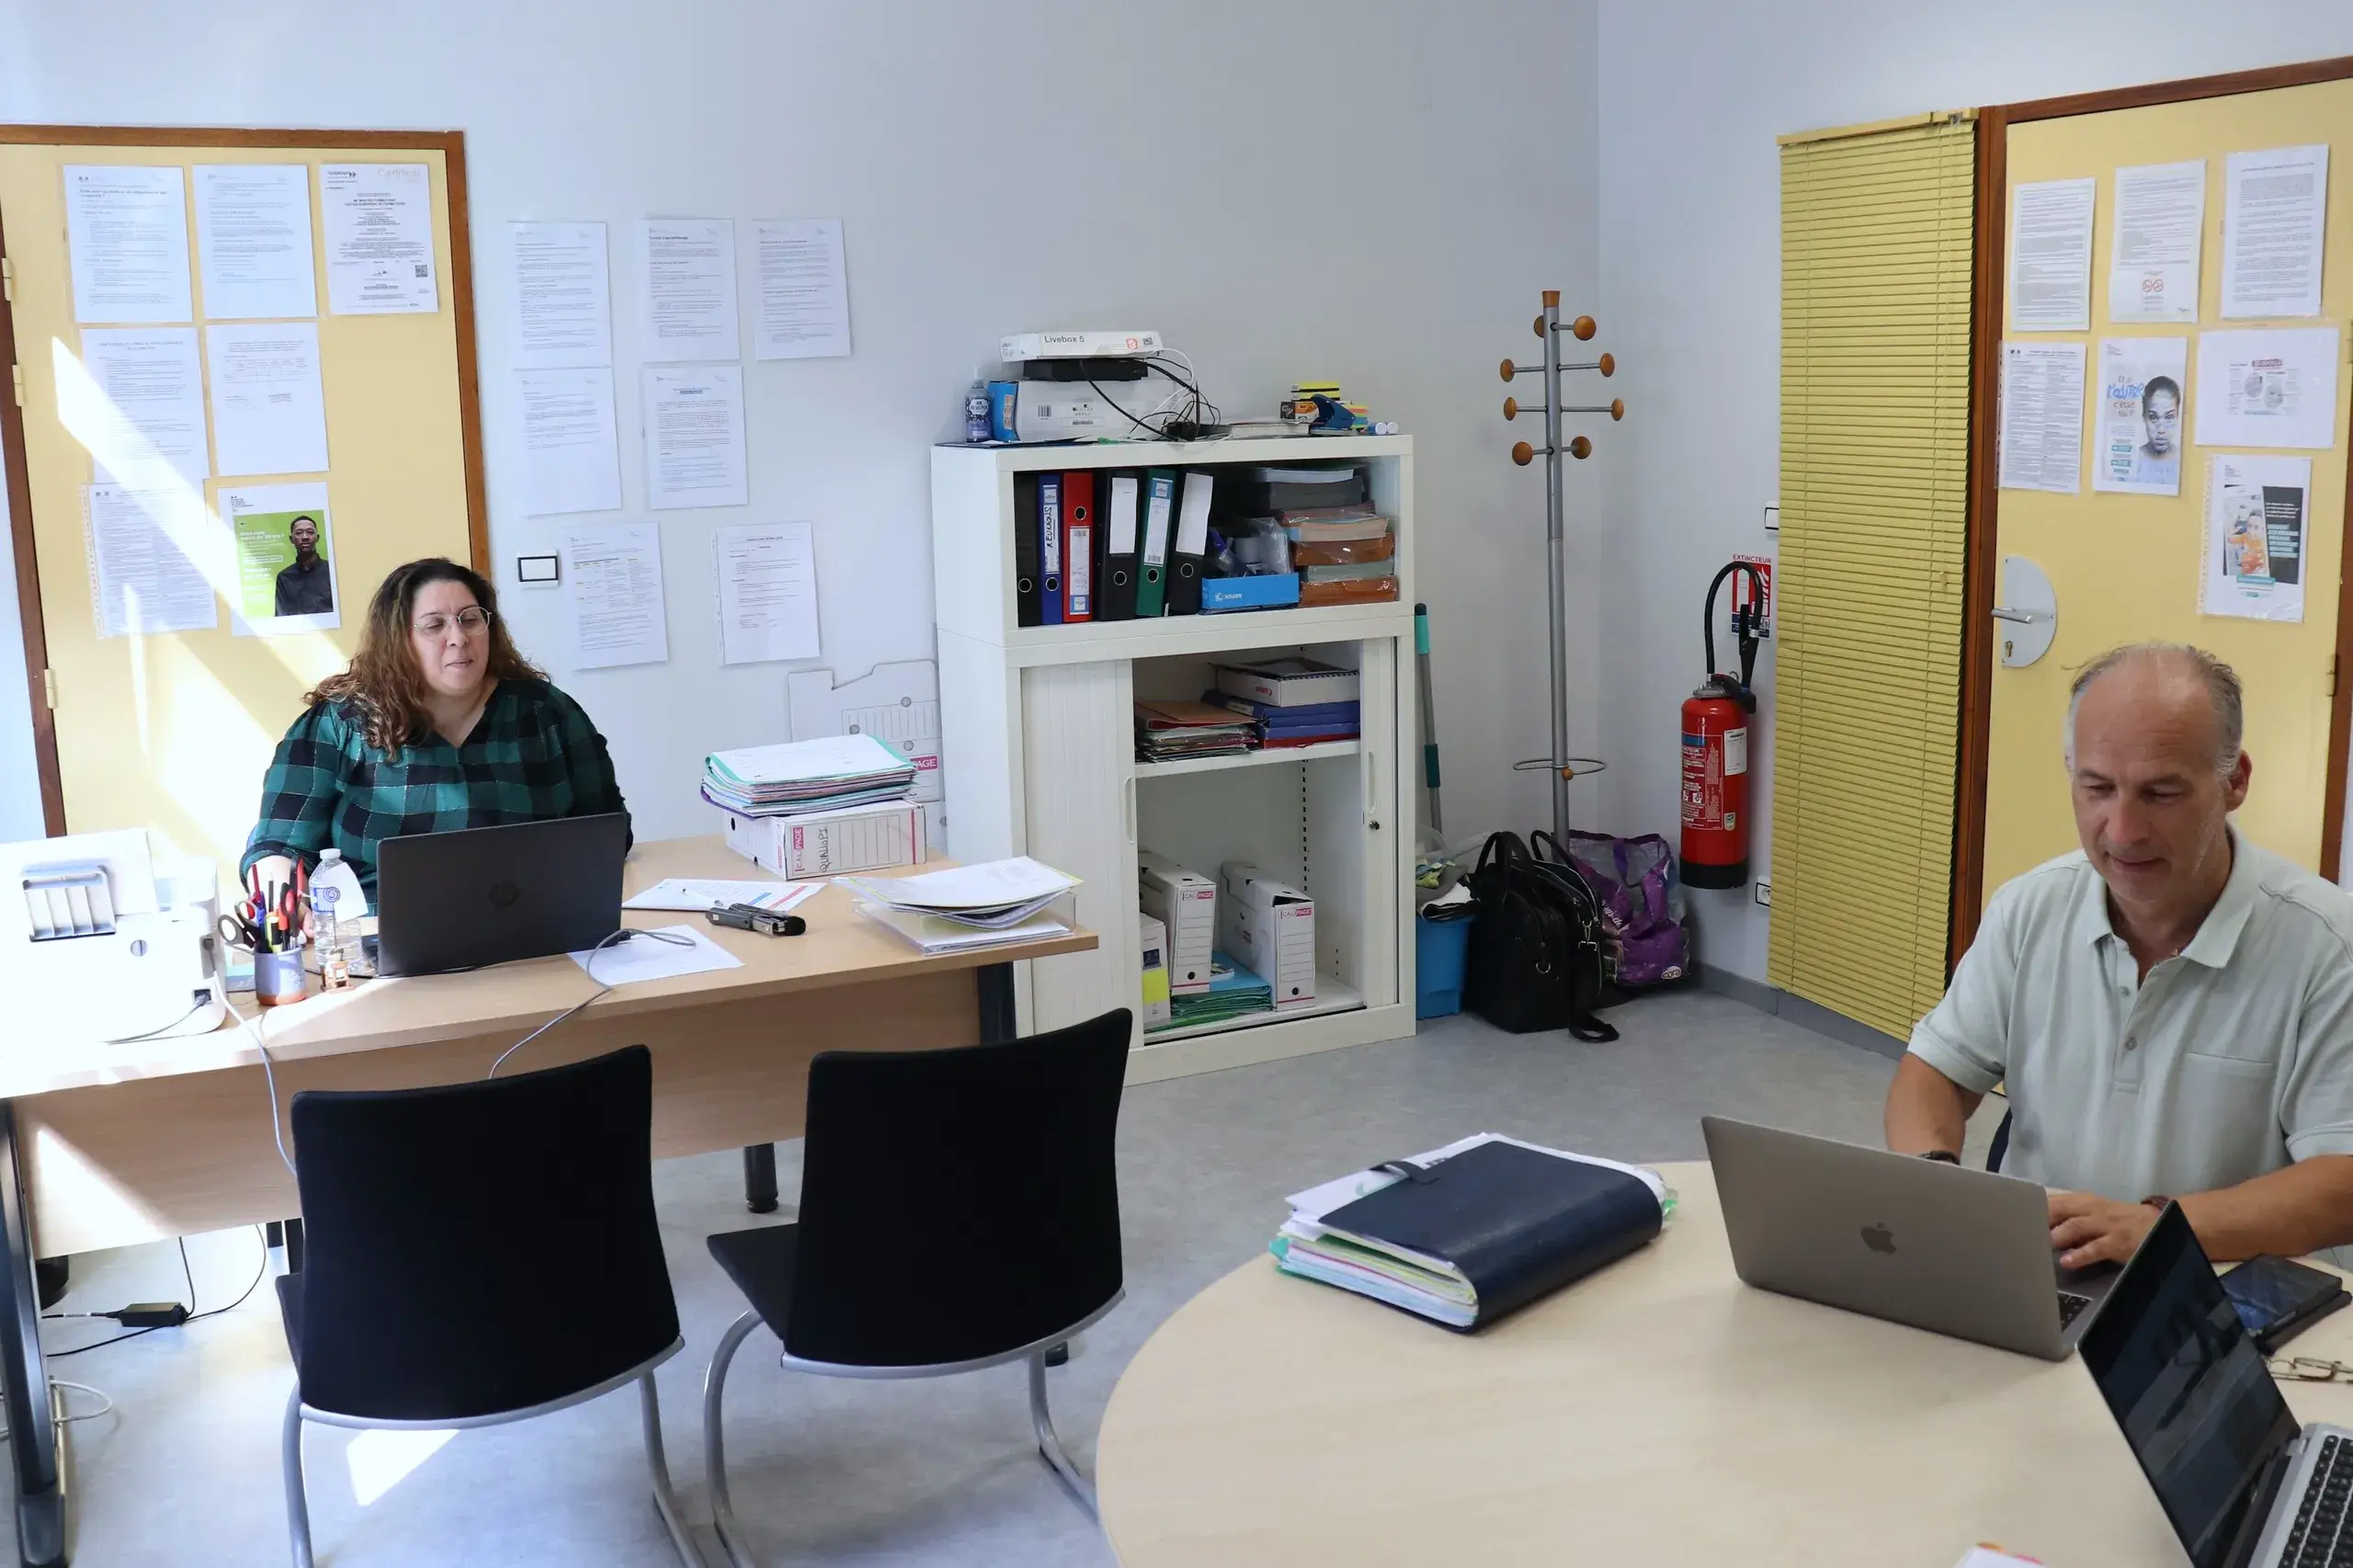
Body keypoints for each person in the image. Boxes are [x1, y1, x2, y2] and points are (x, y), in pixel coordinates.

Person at [1885, 642, 2353, 1267]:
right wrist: (1934, 1180)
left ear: (2234, 782)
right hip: (2042, 1268)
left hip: (2214, 1286)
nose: (2122, 831)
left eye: (2160, 794)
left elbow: (2342, 1179)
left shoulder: (2327, 946)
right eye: (2098, 789)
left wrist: (2157, 1228)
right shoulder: (2030, 908)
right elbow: (1934, 1072)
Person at [244, 557, 629, 900]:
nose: (458, 638)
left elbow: (608, 830)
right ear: (398, 641)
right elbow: (279, 846)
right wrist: (281, 898)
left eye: (470, 619)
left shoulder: (546, 713)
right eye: (434, 626)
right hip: (380, 937)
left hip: (535, 926)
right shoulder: (338, 725)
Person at [273, 515, 335, 617]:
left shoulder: (332, 571)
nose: (305, 537)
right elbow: (281, 617)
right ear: (291, 539)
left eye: (310, 532)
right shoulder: (284, 577)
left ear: (317, 538)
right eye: (299, 533)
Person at [2137, 375, 2181, 463]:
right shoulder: (2133, 460)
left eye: (2169, 417)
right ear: (2144, 417)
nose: (2161, 430)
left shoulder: (2185, 459)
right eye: (2153, 418)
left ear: (2177, 416)